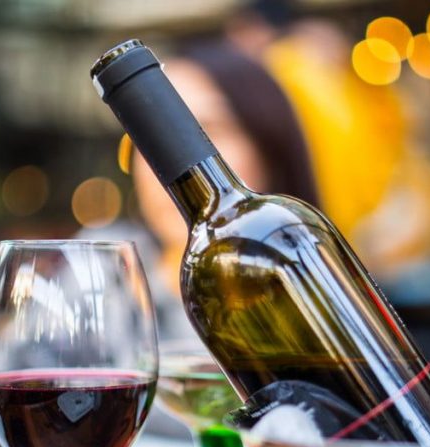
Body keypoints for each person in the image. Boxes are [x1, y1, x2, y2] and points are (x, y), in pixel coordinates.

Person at [98, 41, 320, 345]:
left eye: (204, 130)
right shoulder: (99, 272)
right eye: (151, 136)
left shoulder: (320, 290)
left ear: (268, 147)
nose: (166, 160)